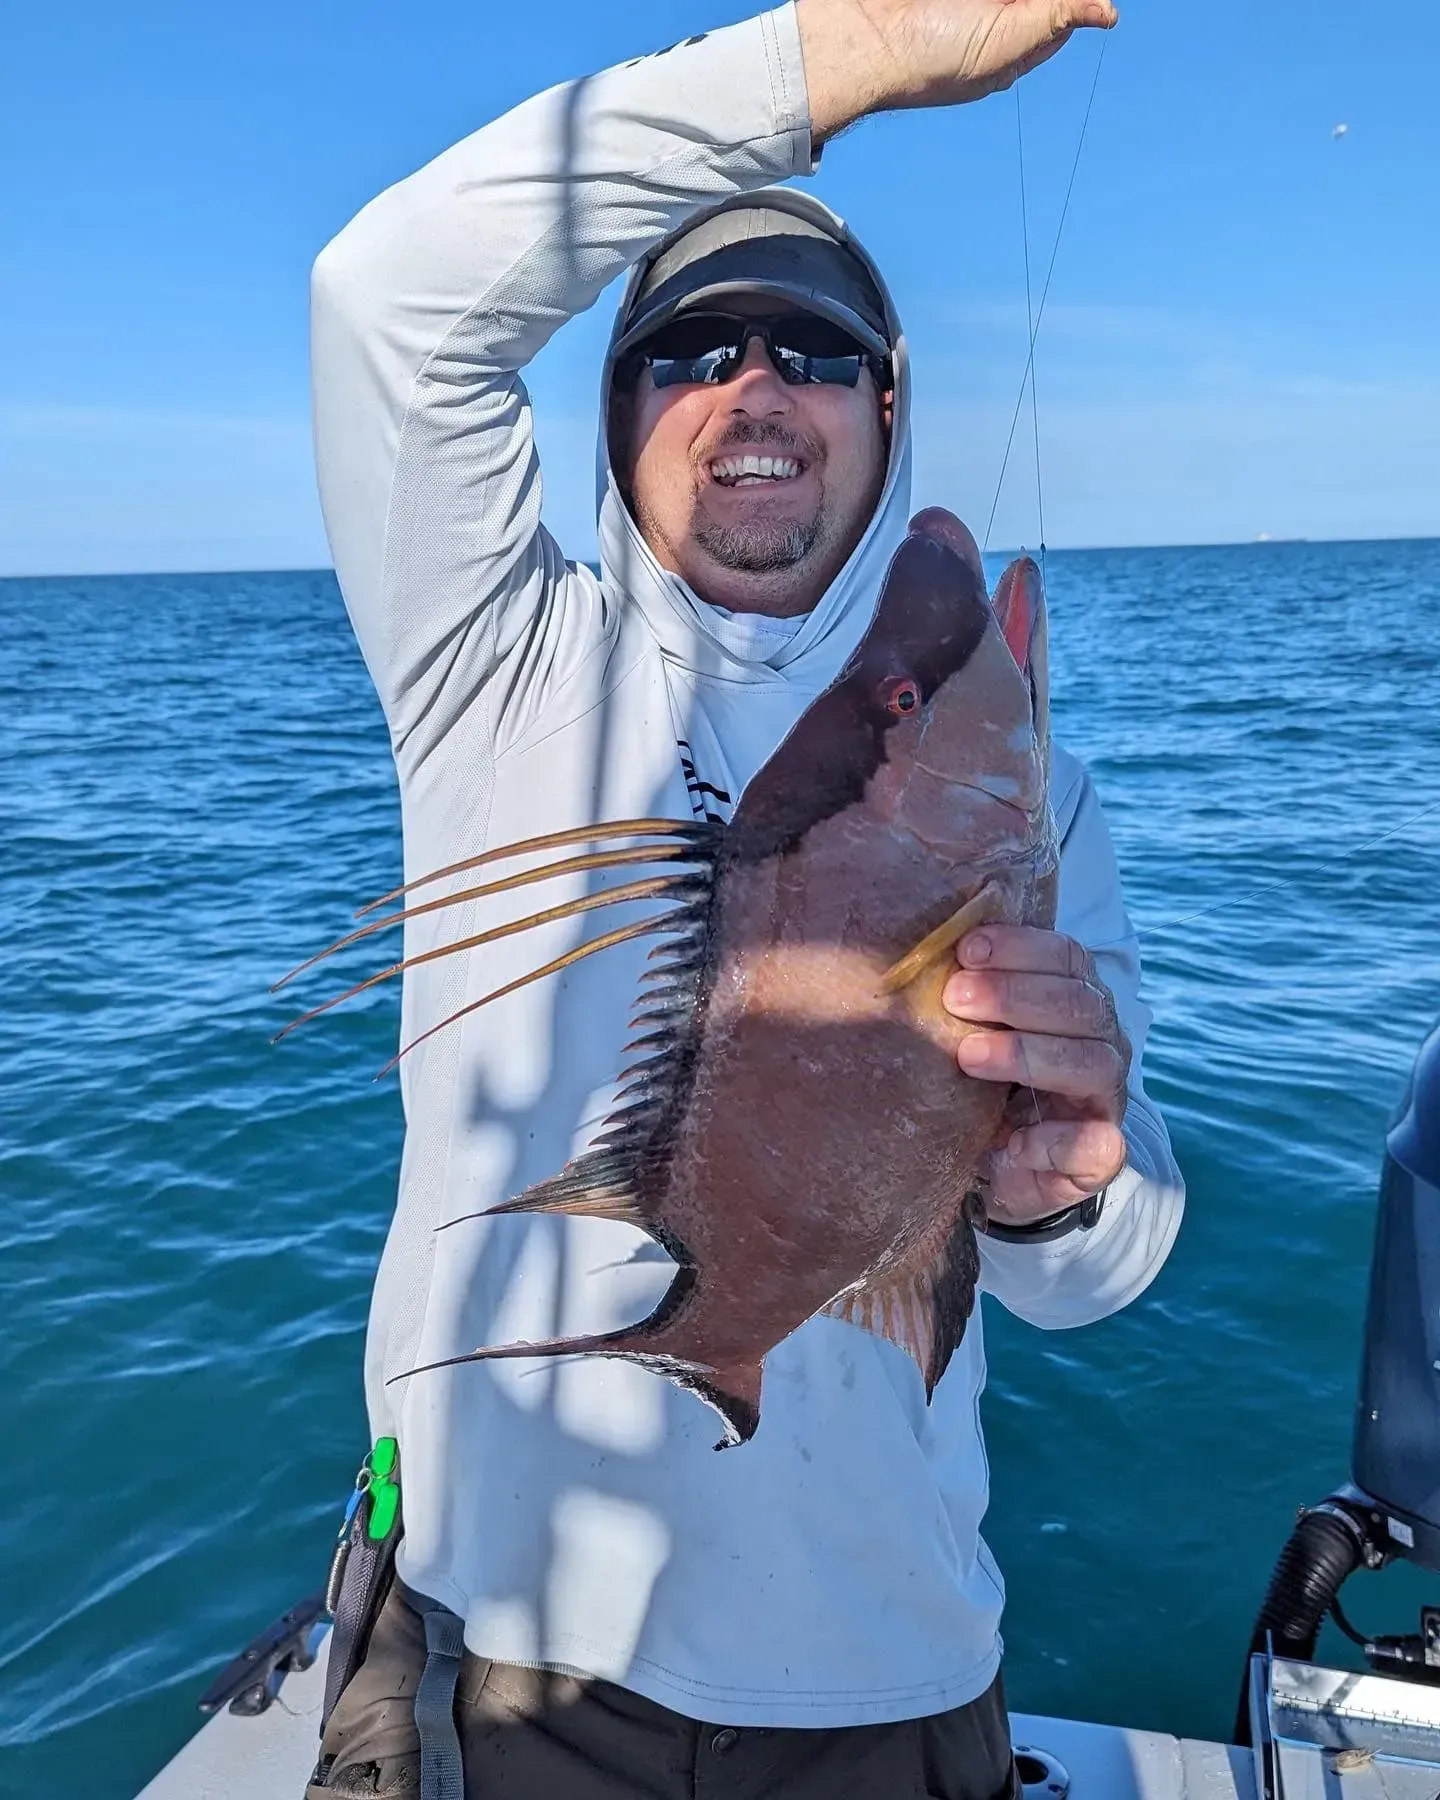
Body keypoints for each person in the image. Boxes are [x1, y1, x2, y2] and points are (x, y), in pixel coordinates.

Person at [305, 0, 1183, 1793]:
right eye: (690, 350)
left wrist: (1061, 1199)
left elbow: (1103, 1269)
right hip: (507, 1652)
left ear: (888, 405)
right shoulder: (497, 666)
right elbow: (381, 301)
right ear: (616, 418)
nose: (752, 385)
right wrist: (844, 56)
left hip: (890, 1674)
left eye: (813, 348)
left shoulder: (1031, 781)